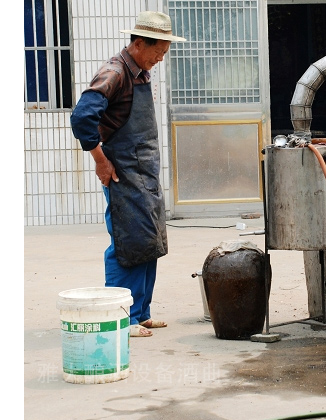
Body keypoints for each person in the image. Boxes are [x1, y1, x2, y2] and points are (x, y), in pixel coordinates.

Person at [70, 11, 186, 338]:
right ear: (137, 43)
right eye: (157, 52)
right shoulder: (115, 72)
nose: (160, 58)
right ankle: (122, 317)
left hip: (144, 174)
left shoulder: (140, 72)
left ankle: (141, 312)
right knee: (127, 243)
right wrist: (99, 159)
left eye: (164, 52)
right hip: (123, 173)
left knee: (148, 241)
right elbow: (82, 117)